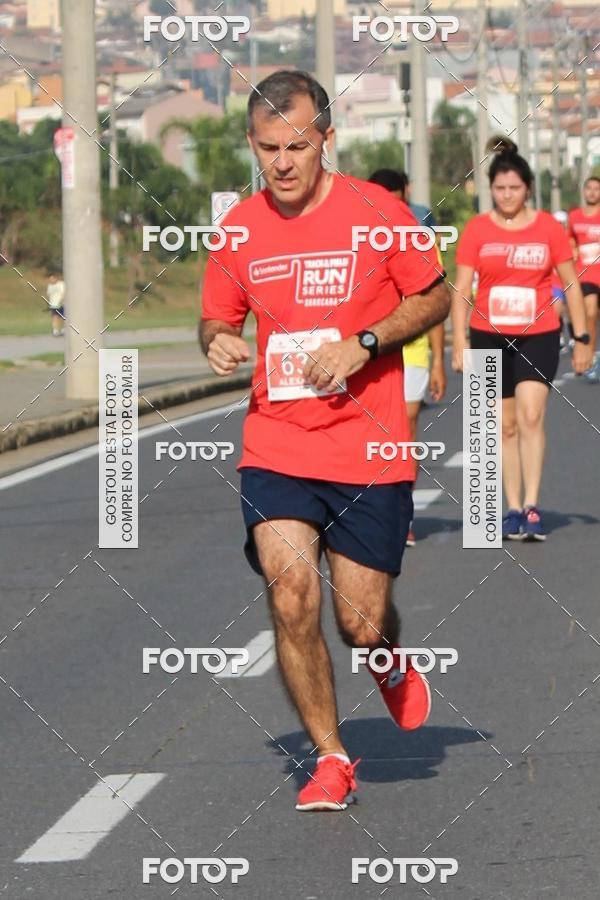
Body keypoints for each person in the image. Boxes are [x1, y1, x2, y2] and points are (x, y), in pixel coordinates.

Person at [200, 70, 450, 811]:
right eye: (269, 147)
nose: (282, 163)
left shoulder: (378, 212)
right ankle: (332, 755)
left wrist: (364, 342)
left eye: (298, 146)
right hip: (277, 441)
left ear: (326, 140)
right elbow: (218, 317)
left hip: (368, 448)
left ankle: (383, 658)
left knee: (359, 620)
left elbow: (434, 292)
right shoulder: (239, 227)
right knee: (292, 589)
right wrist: (217, 341)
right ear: (252, 144)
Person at [451, 140, 592, 541]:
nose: (507, 196)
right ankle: (510, 507)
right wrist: (459, 340)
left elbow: (570, 282)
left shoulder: (547, 227)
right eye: (500, 189)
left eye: (514, 188)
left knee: (531, 416)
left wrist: (582, 337)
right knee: (502, 426)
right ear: (491, 189)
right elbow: (462, 289)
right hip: (488, 335)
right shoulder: (478, 229)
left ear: (527, 188)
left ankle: (532, 505)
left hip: (538, 334)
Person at [368, 169, 447, 546]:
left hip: (413, 349)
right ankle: (376, 510)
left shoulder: (421, 239)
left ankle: (404, 513)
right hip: (369, 351)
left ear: (405, 195)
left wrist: (438, 361)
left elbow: (434, 303)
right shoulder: (357, 239)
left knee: (406, 429)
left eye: (394, 198)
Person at [568, 176, 600, 381]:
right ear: (583, 191)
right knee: (589, 313)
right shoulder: (575, 217)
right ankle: (589, 357)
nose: (592, 192)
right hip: (585, 274)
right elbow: (570, 241)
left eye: (597, 189)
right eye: (589, 188)